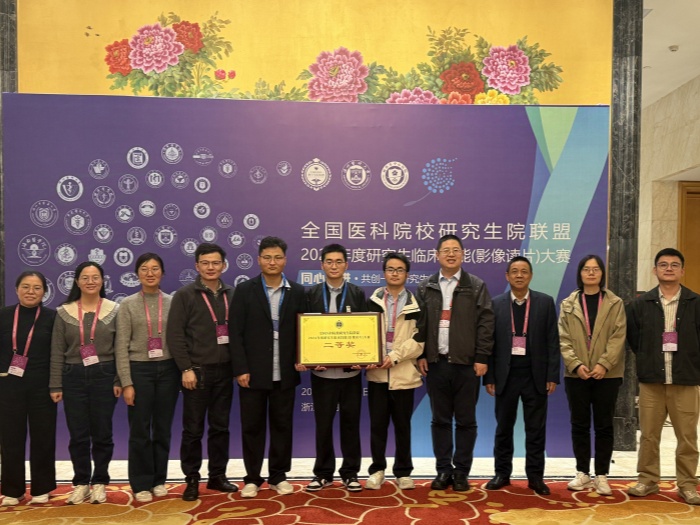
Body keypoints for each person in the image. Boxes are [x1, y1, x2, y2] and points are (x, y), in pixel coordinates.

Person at [416, 234, 494, 492]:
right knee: (439, 420)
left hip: (466, 364)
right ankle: (443, 470)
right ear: (437, 255)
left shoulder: (476, 285)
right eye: (446, 250)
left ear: (462, 254)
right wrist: (421, 354)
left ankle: (461, 472)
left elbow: (486, 323)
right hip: (436, 363)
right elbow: (419, 324)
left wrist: (482, 357)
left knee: (465, 421)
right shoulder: (426, 286)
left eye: (456, 250)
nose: (451, 254)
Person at [231, 236, 306, 498]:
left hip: (285, 372)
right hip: (252, 373)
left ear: (285, 260)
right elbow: (235, 332)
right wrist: (240, 368)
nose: (272, 262)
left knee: (282, 426)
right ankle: (252, 478)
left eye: (277, 257)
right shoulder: (245, 290)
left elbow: (305, 330)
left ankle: (278, 476)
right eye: (267, 257)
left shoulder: (297, 291)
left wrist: (304, 356)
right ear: (259, 260)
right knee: (252, 427)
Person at [627, 248, 700, 505]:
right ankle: (648, 480)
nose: (668, 268)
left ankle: (687, 484)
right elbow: (634, 339)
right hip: (652, 382)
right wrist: (649, 360)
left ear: (682, 270)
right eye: (663, 264)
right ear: (655, 270)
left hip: (685, 381)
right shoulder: (640, 304)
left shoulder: (696, 302)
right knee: (649, 435)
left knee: (687, 437)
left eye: (674, 265)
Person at [483, 256, 560, 495]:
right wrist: (490, 377)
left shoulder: (545, 303)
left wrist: (552, 375)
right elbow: (489, 344)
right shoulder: (496, 304)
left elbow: (552, 341)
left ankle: (535, 477)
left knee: (535, 430)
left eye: (524, 271)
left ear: (531, 276)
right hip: (505, 377)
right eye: (514, 271)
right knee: (503, 429)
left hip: (535, 376)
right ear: (507, 276)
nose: (519, 275)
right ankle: (501, 474)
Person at [167, 243, 237, 501]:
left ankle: (217, 476)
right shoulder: (185, 295)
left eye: (216, 263)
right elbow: (175, 335)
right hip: (196, 373)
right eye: (205, 263)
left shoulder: (232, 294)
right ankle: (192, 479)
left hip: (225, 371)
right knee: (193, 430)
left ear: (223, 266)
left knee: (221, 428)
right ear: (197, 266)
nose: (211, 267)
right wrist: (185, 368)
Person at [50, 261, 121, 505]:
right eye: (85, 277)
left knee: (102, 433)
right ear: (77, 282)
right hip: (73, 377)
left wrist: (119, 379)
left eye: (95, 277)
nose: (90, 281)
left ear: (102, 281)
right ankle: (81, 483)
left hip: (105, 375)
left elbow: (120, 349)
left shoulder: (114, 310)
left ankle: (100, 481)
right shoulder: (64, 312)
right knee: (78, 434)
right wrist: (55, 384)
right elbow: (57, 351)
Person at [558, 254, 626, 496]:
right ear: (580, 273)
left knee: (604, 425)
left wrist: (604, 364)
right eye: (586, 269)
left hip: (607, 375)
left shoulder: (615, 303)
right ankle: (582, 473)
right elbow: (563, 338)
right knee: (579, 425)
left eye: (595, 269)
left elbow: (618, 337)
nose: (591, 272)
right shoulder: (568, 304)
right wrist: (576, 365)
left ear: (602, 273)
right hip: (577, 375)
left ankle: (602, 475)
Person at [303, 243, 368, 492]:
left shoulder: (356, 293)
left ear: (346, 265)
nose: (334, 266)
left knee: (351, 424)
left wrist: (362, 357)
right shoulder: (311, 294)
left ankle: (350, 473)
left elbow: (364, 331)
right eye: (329, 261)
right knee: (323, 425)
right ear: (322, 265)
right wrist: (309, 357)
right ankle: (323, 473)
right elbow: (305, 330)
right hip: (321, 373)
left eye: (339, 261)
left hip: (351, 373)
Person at [115, 253, 179, 503]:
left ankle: (159, 479)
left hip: (168, 371)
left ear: (162, 272)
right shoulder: (128, 304)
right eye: (144, 269)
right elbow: (121, 345)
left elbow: (178, 339)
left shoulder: (172, 302)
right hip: (139, 370)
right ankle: (141, 482)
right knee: (140, 429)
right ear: (137, 274)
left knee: (163, 428)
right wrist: (126, 382)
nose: (150, 273)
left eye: (155, 268)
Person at [365, 252, 424, 491]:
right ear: (384, 273)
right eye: (390, 269)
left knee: (403, 426)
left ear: (407, 274)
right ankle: (377, 470)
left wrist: (395, 356)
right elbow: (363, 333)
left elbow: (419, 340)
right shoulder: (372, 302)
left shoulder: (416, 304)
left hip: (404, 375)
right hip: (377, 375)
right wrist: (369, 356)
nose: (395, 273)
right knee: (377, 426)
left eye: (400, 269)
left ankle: (403, 471)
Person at [0, 271, 57, 506]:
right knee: (10, 438)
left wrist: (56, 384)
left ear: (44, 292)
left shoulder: (52, 317)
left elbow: (57, 354)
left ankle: (42, 487)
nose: (30, 292)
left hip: (42, 387)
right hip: (9, 386)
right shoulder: (3, 315)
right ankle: (13, 490)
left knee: (43, 437)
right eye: (25, 286)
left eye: (36, 287)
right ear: (16, 289)